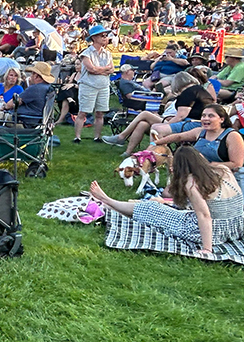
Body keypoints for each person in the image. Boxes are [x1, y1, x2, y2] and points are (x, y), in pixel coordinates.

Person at [90, 146, 244, 259]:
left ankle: (107, 201)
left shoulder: (191, 182)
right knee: (164, 204)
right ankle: (115, 203)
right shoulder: (223, 170)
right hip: (236, 227)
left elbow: (204, 215)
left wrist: (207, 249)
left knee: (150, 208)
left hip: (209, 232)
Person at [103, 71, 213, 154]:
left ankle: (147, 153)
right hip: (199, 122)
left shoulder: (188, 93)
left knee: (148, 117)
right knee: (143, 123)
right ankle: (128, 153)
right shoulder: (200, 90)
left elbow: (181, 116)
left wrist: (165, 124)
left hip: (194, 124)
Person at [154, 104, 244, 183]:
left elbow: (237, 164)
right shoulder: (200, 132)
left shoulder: (232, 136)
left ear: (221, 119)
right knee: (168, 193)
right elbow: (179, 137)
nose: (205, 118)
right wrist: (155, 143)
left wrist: (209, 166)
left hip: (222, 176)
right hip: (197, 173)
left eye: (210, 116)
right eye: (203, 115)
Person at [73, 24, 113, 143]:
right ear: (94, 38)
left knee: (100, 113)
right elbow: (91, 69)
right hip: (88, 85)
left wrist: (99, 69)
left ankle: (97, 137)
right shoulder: (86, 53)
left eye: (106, 35)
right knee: (83, 112)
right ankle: (77, 137)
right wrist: (104, 69)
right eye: (102, 35)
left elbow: (111, 69)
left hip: (104, 86)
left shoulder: (108, 53)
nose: (105, 38)